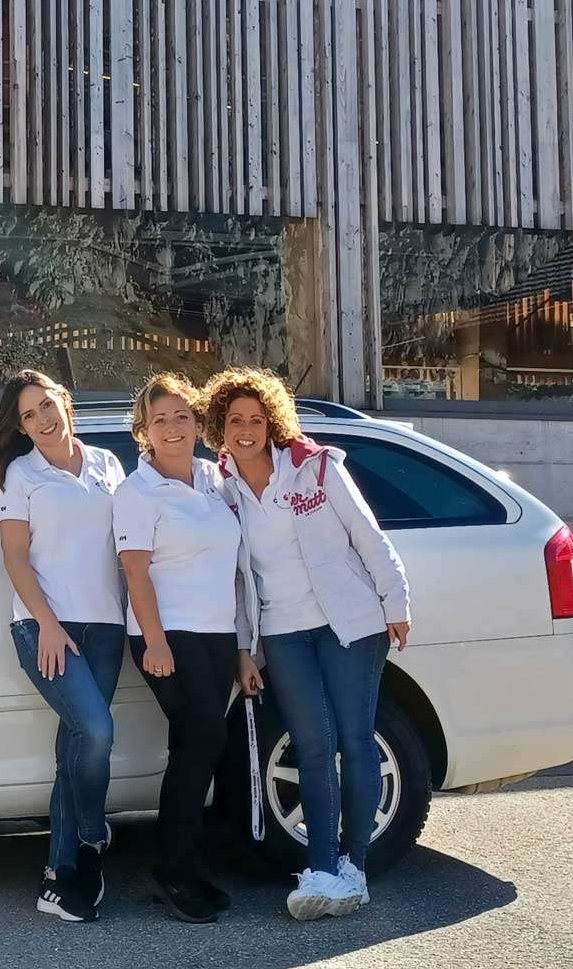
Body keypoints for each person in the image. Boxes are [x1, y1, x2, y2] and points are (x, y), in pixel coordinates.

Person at [202, 367, 411, 921]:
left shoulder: (315, 468)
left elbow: (368, 535)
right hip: (283, 632)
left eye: (256, 419)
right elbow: (237, 581)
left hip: (350, 624)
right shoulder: (222, 492)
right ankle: (320, 868)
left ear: (272, 423)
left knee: (355, 740)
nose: (246, 430)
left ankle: (354, 867)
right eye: (235, 420)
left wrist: (396, 603)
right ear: (220, 426)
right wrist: (243, 649)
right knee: (312, 746)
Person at [0, 370, 129, 924]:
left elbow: (129, 548)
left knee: (75, 746)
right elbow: (15, 558)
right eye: (28, 415)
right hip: (45, 627)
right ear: (21, 428)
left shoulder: (108, 465)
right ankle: (92, 834)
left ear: (65, 403)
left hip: (105, 626)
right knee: (96, 730)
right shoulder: (21, 474)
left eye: (46, 405)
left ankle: (58, 875)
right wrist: (46, 623)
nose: (42, 419)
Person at [111, 372, 243, 924]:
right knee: (204, 738)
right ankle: (173, 871)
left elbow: (234, 568)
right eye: (159, 419)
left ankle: (188, 868)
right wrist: (156, 642)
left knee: (195, 745)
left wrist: (242, 649)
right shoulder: (136, 492)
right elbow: (135, 573)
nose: (172, 427)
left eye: (182, 416)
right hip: (168, 635)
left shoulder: (216, 480)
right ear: (143, 429)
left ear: (197, 423)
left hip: (217, 633)